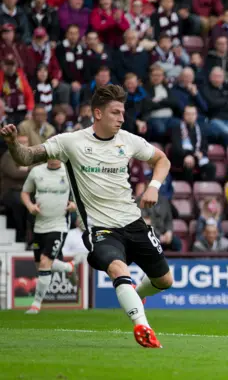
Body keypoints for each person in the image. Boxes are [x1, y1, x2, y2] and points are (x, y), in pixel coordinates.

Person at [0, 84, 173, 348]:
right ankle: (143, 327)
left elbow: (162, 160)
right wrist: (12, 143)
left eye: (122, 112)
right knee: (118, 268)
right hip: (100, 228)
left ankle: (136, 295)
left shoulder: (128, 140)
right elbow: (26, 157)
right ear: (98, 113)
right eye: (115, 112)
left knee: (164, 281)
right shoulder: (70, 142)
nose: (121, 118)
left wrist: (154, 186)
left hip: (133, 222)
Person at [21, 159, 78, 314]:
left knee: (46, 262)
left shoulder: (69, 171)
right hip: (39, 225)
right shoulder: (36, 171)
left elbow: (82, 194)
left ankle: (36, 305)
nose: (53, 157)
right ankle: (68, 267)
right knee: (40, 265)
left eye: (56, 154)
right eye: (50, 154)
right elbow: (25, 193)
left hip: (59, 224)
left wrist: (74, 205)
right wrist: (30, 206)